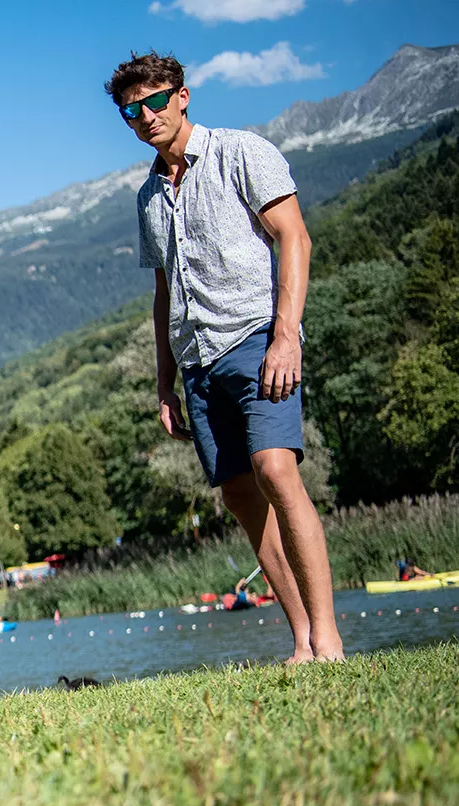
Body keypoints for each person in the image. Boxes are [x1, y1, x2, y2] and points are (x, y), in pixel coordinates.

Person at [110, 51, 342, 665]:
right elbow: (163, 291)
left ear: (183, 96)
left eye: (156, 101)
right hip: (196, 364)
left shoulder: (242, 152)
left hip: (257, 338)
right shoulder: (147, 198)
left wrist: (287, 334)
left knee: (276, 470)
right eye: (133, 110)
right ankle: (300, 638)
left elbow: (294, 236)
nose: (146, 116)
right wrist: (164, 379)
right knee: (242, 500)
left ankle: (331, 639)